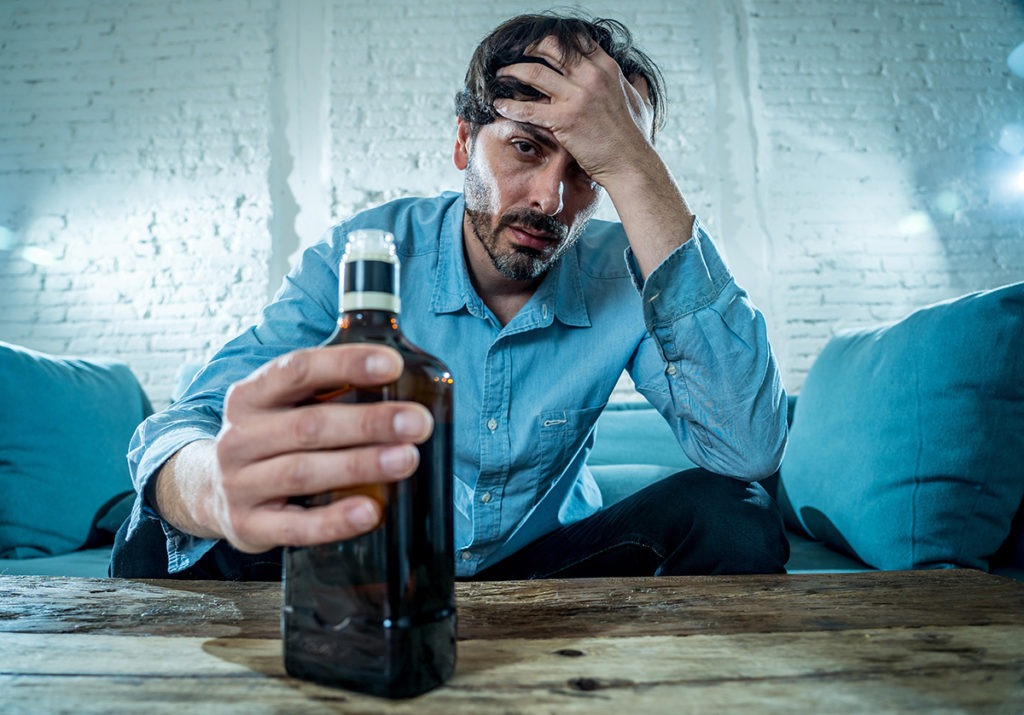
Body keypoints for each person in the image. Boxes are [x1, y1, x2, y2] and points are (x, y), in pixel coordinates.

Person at [111, 12, 789, 581]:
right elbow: (189, 421)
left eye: (591, 169)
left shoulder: (629, 272)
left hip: (545, 565)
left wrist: (637, 166)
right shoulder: (365, 254)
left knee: (737, 512)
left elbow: (748, 448)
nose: (550, 198)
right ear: (465, 140)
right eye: (526, 148)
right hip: (377, 556)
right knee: (158, 528)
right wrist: (214, 492)